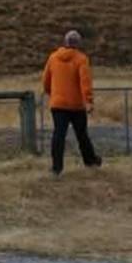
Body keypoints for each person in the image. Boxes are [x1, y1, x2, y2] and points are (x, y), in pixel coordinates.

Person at [42, 30, 100, 176]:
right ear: (78, 44)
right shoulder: (81, 59)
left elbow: (46, 80)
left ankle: (56, 167)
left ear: (65, 42)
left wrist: (52, 93)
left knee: (58, 135)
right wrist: (88, 100)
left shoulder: (53, 57)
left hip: (58, 104)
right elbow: (85, 81)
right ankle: (90, 161)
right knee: (82, 135)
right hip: (76, 105)